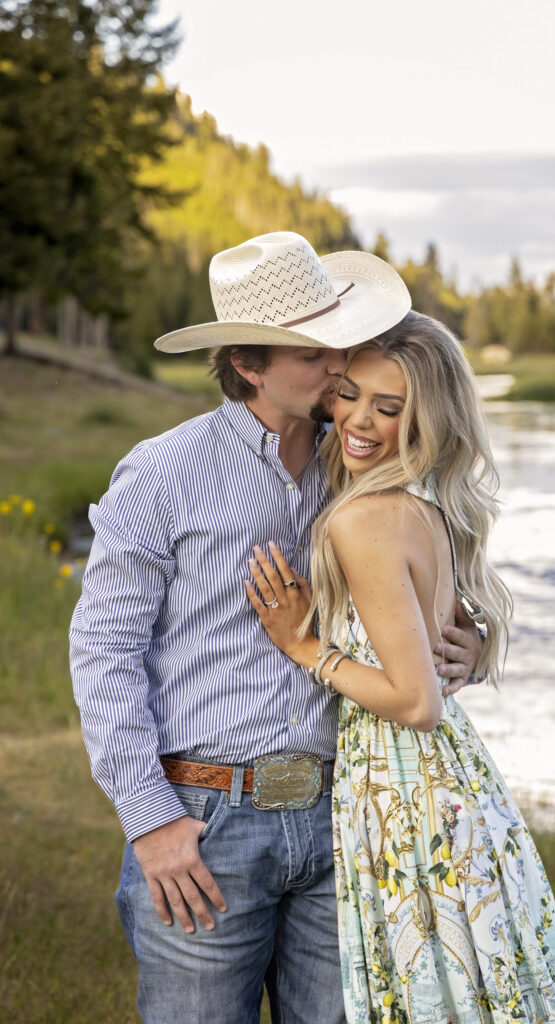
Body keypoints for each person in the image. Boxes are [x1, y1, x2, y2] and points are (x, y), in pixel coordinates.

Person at [69, 232, 483, 1024]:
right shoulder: (162, 473)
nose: (339, 365)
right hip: (207, 816)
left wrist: (473, 647)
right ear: (248, 364)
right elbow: (102, 651)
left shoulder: (359, 457)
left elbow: (435, 587)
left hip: (344, 820)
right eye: (311, 353)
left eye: (337, 340)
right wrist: (151, 822)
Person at [246, 310, 555, 1024]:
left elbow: (413, 701)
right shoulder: (424, 504)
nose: (357, 420)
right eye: (348, 394)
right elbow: (436, 650)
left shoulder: (362, 518)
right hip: (451, 781)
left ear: (426, 419)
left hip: (407, 790)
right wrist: (475, 646)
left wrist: (303, 646)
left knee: (428, 992)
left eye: (388, 407)